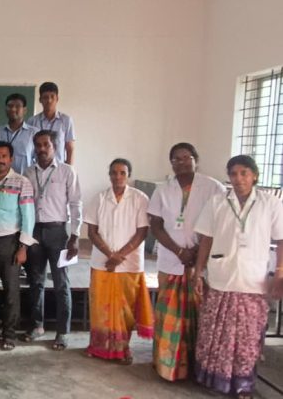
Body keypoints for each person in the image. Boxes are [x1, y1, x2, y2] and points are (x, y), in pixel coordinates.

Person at [193, 155, 283, 399]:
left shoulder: (270, 203)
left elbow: (281, 240)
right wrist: (198, 272)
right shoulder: (217, 202)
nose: (239, 178)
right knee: (215, 333)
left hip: (253, 281)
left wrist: (280, 272)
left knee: (247, 337)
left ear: (255, 176)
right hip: (221, 277)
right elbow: (206, 239)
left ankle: (243, 385)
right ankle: (213, 379)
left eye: (244, 173)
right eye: (233, 174)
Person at [148, 142, 225, 381]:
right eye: (176, 159)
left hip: (201, 262)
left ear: (196, 160)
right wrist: (179, 251)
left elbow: (220, 224)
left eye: (186, 157)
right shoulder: (162, 189)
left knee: (199, 316)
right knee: (168, 317)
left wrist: (196, 252)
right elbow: (156, 225)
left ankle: (197, 367)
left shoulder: (214, 188)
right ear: (171, 163)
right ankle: (167, 365)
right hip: (171, 259)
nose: (181, 162)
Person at [84, 158, 153, 364]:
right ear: (109, 175)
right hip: (102, 262)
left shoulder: (140, 198)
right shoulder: (99, 198)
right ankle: (99, 347)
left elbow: (142, 232)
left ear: (129, 175)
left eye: (122, 173)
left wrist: (119, 256)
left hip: (129, 264)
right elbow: (92, 232)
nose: (118, 176)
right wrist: (109, 254)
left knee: (126, 309)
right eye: (114, 172)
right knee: (100, 308)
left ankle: (123, 348)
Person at [23, 130, 81, 350]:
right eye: (38, 145)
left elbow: (76, 204)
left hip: (59, 233)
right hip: (35, 232)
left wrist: (75, 236)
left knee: (61, 283)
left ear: (54, 147)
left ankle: (62, 331)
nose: (41, 149)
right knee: (36, 281)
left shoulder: (67, 171)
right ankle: (37, 326)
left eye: (46, 144)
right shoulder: (29, 172)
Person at [0, 141, 36, 350]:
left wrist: (23, 247)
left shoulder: (22, 182)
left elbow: (28, 217)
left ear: (11, 159)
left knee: (11, 291)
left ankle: (9, 334)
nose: (0, 160)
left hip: (10, 242)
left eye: (4, 156)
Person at [27, 82, 76, 164]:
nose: (49, 100)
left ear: (57, 98)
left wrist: (69, 169)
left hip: (59, 168)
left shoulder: (66, 120)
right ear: (40, 100)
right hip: (37, 168)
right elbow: (29, 148)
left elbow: (70, 149)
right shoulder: (32, 121)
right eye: (45, 97)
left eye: (52, 97)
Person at [0, 94, 39, 174]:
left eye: (17, 106)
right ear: (6, 109)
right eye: (10, 106)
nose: (13, 109)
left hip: (26, 178)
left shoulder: (34, 133)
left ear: (24, 110)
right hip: (2, 179)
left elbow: (39, 159)